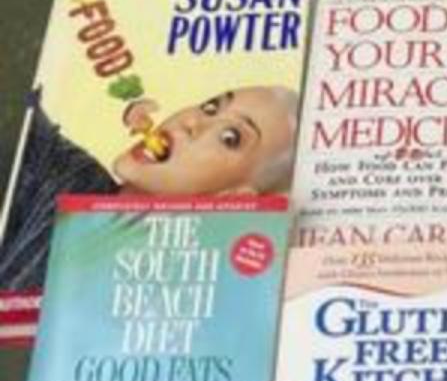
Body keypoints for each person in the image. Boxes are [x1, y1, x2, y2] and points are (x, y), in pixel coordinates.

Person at [0, 85, 299, 292]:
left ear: (234, 198)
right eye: (211, 107)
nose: (193, 122)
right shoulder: (53, 168)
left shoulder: (179, 296)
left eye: (230, 137)